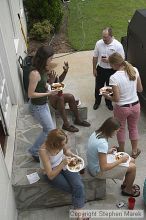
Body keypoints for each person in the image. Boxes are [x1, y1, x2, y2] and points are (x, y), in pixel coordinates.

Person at [39, 129, 88, 220]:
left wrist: (73, 155)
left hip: (64, 164)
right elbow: (50, 175)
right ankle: (80, 212)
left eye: (65, 142)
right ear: (55, 143)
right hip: (52, 171)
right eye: (63, 143)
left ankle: (79, 215)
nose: (64, 145)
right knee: (75, 189)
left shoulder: (61, 141)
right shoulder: (43, 151)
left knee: (79, 186)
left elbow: (66, 151)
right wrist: (63, 163)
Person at [102, 52, 143, 158]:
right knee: (133, 128)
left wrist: (107, 97)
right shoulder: (134, 70)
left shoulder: (114, 77)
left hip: (122, 108)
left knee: (120, 129)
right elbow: (140, 89)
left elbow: (116, 98)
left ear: (115, 64)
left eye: (111, 65)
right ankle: (134, 152)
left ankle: (122, 151)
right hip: (135, 106)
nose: (111, 67)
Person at [87, 117, 140, 197]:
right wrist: (120, 160)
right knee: (133, 167)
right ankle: (127, 191)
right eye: (116, 131)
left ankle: (126, 184)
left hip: (94, 163)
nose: (116, 134)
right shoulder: (103, 144)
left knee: (131, 160)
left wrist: (108, 152)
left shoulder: (96, 133)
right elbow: (104, 167)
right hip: (96, 171)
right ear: (110, 130)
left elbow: (97, 151)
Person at [28, 46, 57, 162]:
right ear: (44, 58)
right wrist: (48, 94)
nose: (51, 61)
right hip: (37, 107)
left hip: (43, 105)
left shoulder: (43, 68)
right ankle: (34, 151)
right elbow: (30, 94)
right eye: (50, 58)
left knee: (50, 128)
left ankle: (43, 148)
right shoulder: (34, 73)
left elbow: (43, 82)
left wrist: (48, 86)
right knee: (48, 130)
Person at [47, 60, 90, 133]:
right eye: (50, 68)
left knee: (70, 96)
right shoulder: (42, 76)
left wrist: (65, 72)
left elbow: (59, 80)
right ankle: (66, 124)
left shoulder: (51, 73)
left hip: (57, 95)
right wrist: (51, 83)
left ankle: (77, 119)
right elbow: (47, 91)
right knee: (60, 98)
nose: (52, 69)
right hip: (49, 99)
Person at [92, 27, 125, 111]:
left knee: (110, 87)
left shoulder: (118, 45)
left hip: (112, 70)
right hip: (101, 69)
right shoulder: (99, 43)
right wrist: (94, 69)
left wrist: (109, 60)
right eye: (103, 37)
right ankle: (97, 102)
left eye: (106, 37)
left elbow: (121, 60)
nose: (104, 39)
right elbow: (95, 57)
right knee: (98, 87)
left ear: (111, 36)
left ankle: (108, 103)